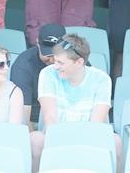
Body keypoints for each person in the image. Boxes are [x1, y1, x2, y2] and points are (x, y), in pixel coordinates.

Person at [30, 34, 120, 172]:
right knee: (35, 139)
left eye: (61, 63)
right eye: (55, 61)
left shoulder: (101, 79)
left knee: (116, 141)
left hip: (89, 137)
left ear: (79, 62)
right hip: (56, 136)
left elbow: (96, 123)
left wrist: (78, 147)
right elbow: (50, 118)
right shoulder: (47, 73)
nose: (55, 66)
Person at [10, 23, 66, 130]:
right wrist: (32, 137)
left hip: (68, 118)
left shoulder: (74, 60)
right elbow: (23, 115)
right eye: (48, 55)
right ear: (37, 43)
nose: (53, 60)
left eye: (56, 54)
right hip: (34, 121)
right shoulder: (23, 65)